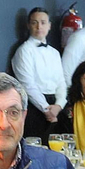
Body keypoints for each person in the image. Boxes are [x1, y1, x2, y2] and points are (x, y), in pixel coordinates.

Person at [12, 7, 63, 145]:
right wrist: (46, 109)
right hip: (35, 107)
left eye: (43, 22)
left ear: (49, 25)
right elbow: (27, 85)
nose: (39, 26)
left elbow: (61, 82)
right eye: (34, 22)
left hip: (55, 108)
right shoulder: (24, 51)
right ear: (28, 25)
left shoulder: (54, 53)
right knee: (36, 148)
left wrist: (59, 105)